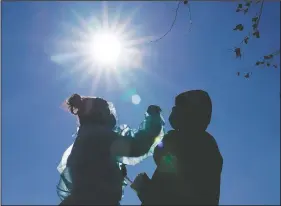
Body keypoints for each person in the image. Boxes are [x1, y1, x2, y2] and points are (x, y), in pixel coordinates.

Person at [57, 94, 165, 205]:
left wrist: (116, 171)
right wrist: (153, 118)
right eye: (107, 111)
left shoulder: (86, 136)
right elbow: (138, 146)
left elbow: (93, 171)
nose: (111, 114)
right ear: (98, 113)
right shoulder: (98, 135)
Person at [131, 90, 223, 205]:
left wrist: (145, 190)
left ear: (192, 112)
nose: (174, 109)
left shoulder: (196, 142)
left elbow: (179, 192)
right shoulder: (201, 141)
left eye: (180, 106)